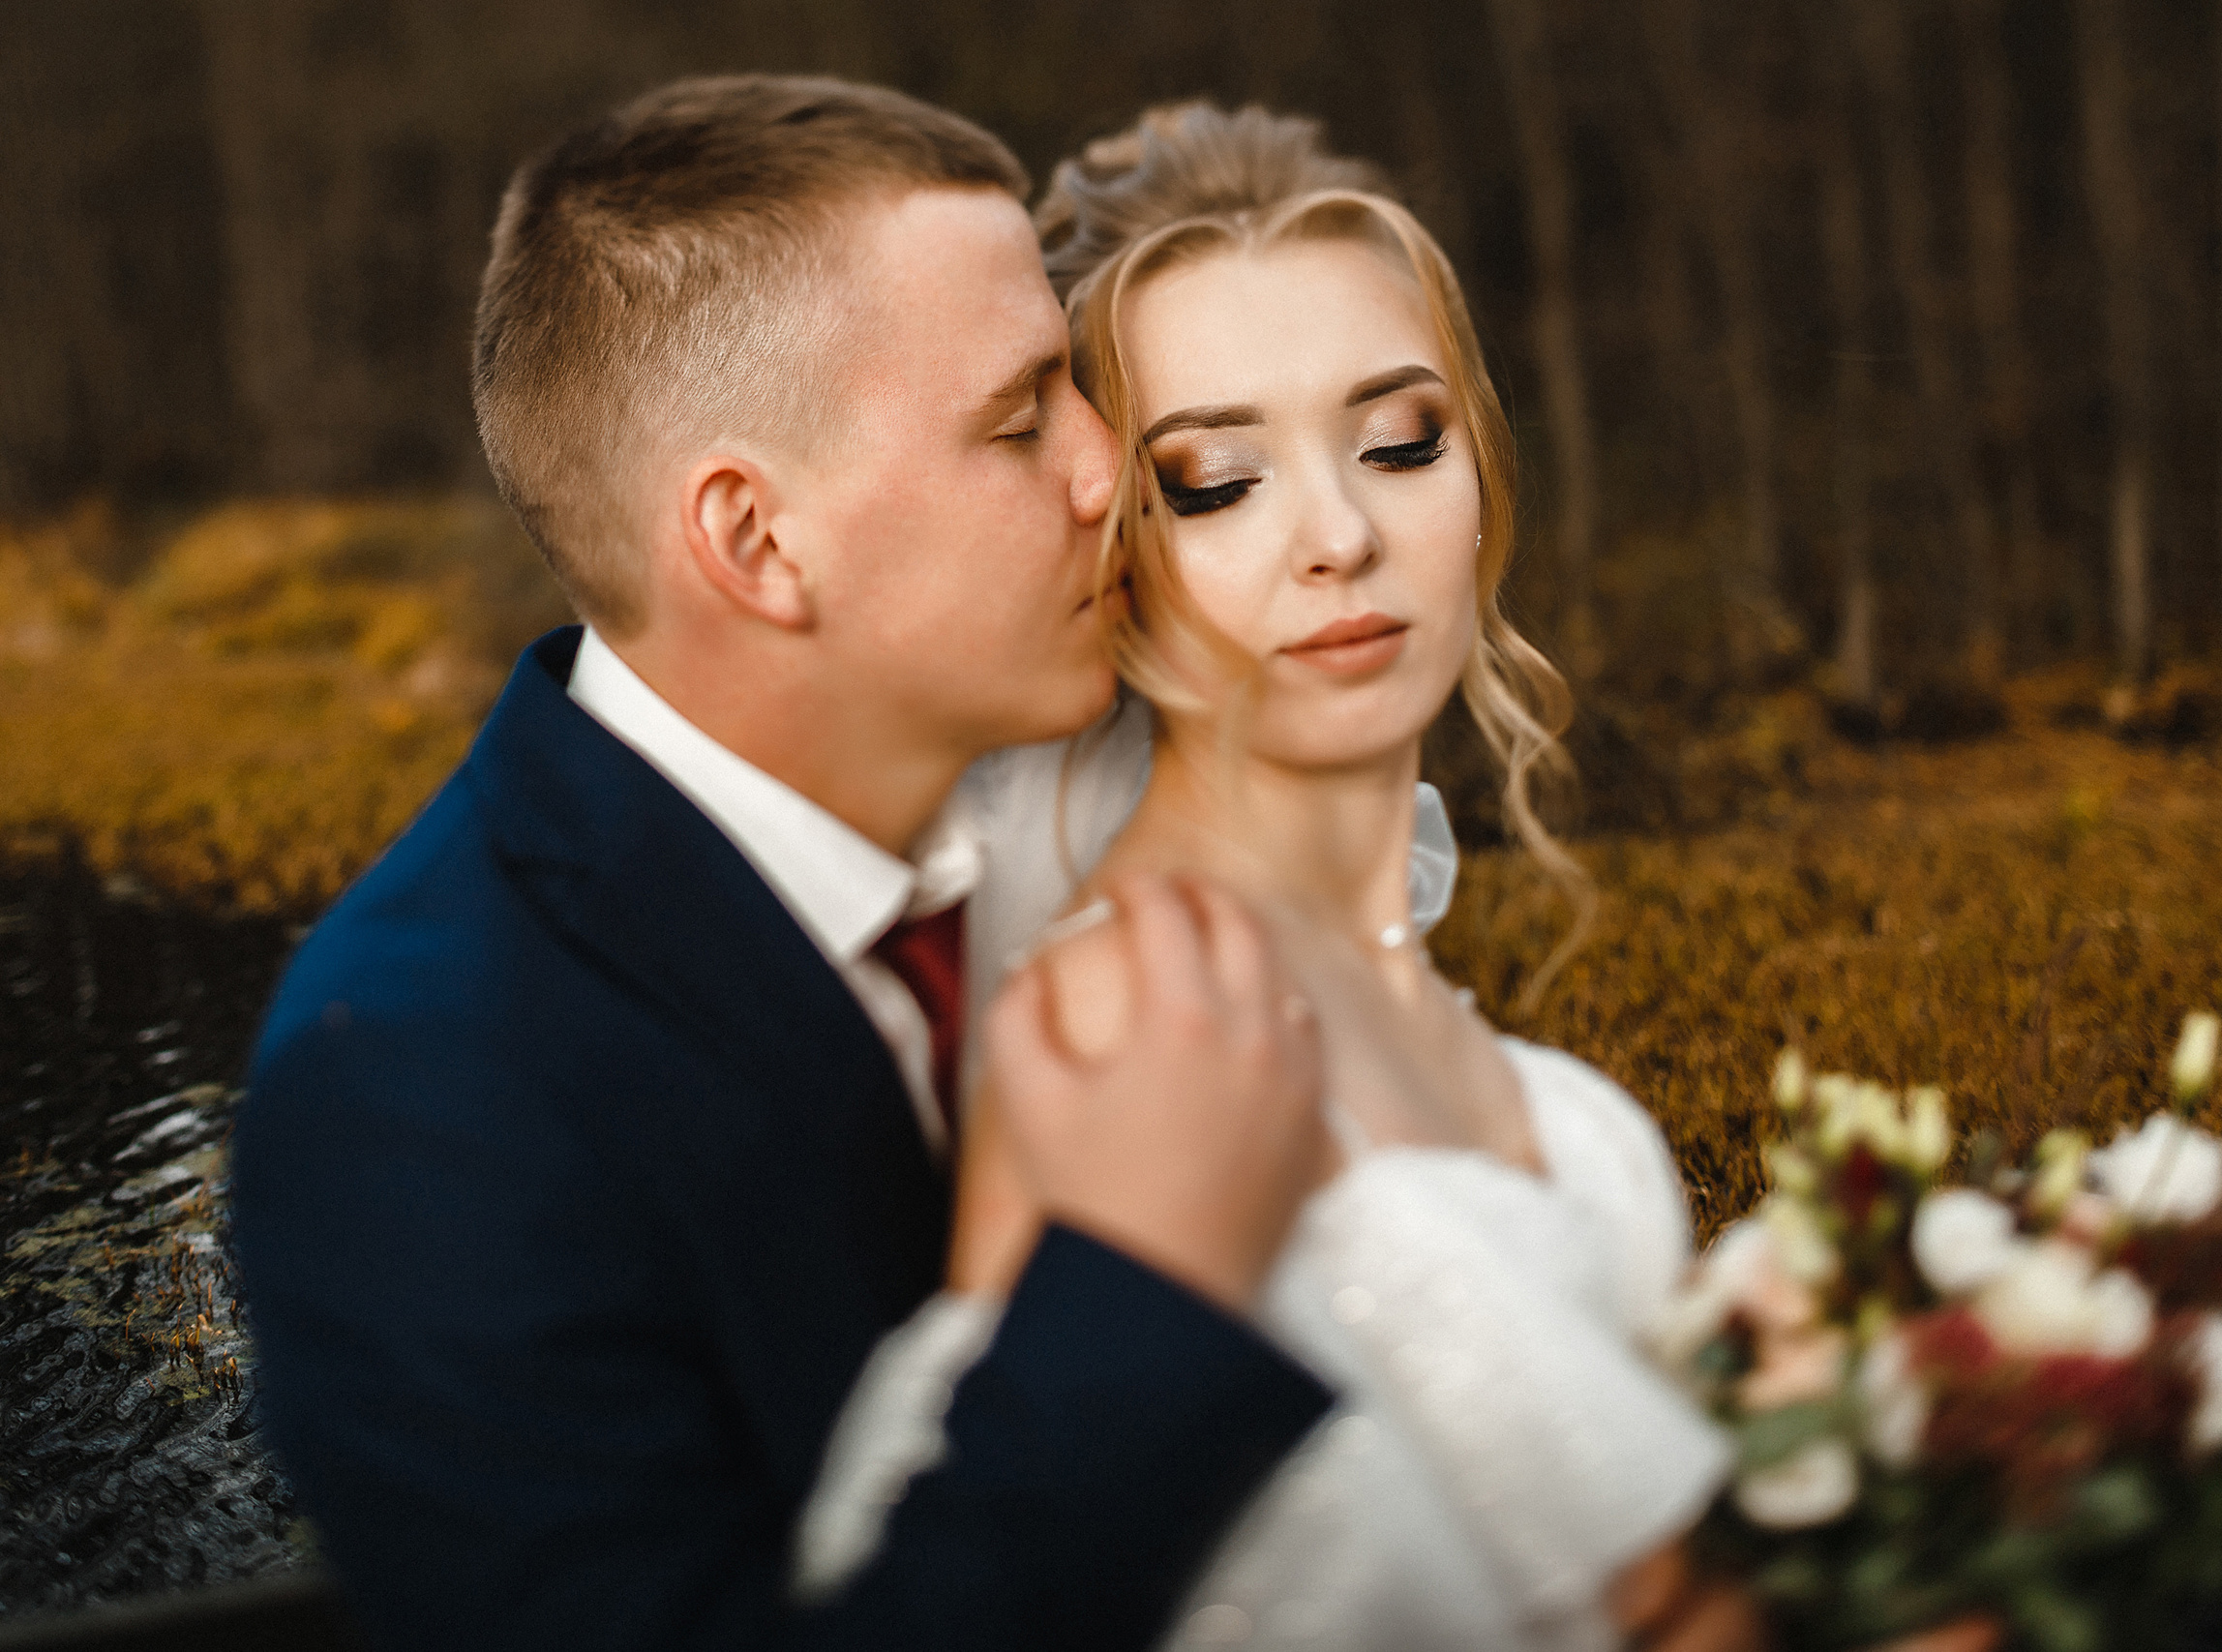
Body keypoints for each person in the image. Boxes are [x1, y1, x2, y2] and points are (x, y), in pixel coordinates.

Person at [229, 76, 1343, 1652]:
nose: (1111, 471)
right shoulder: (420, 1096)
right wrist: (1147, 1285)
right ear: (757, 541)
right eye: (1023, 419)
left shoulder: (1100, 817)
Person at [792, 103, 1745, 1652]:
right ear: (1109, 542)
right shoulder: (1124, 1022)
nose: (1341, 536)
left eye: (1398, 442)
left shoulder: (1435, 1014)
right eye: (1219, 479)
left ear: (1482, 471)